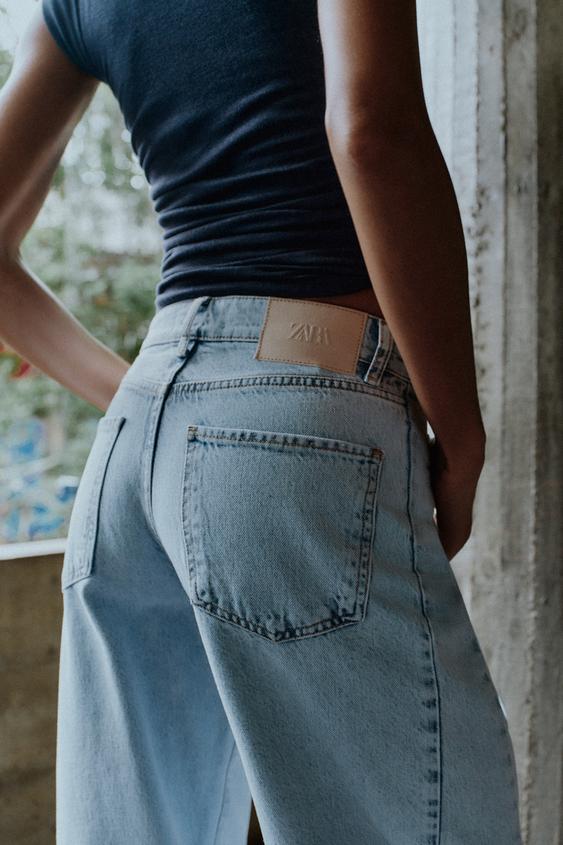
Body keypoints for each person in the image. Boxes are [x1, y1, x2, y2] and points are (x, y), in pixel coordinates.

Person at [0, 2, 523, 843]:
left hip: (134, 458)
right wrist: (459, 435)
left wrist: (152, 397)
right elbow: (370, 129)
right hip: (296, 417)